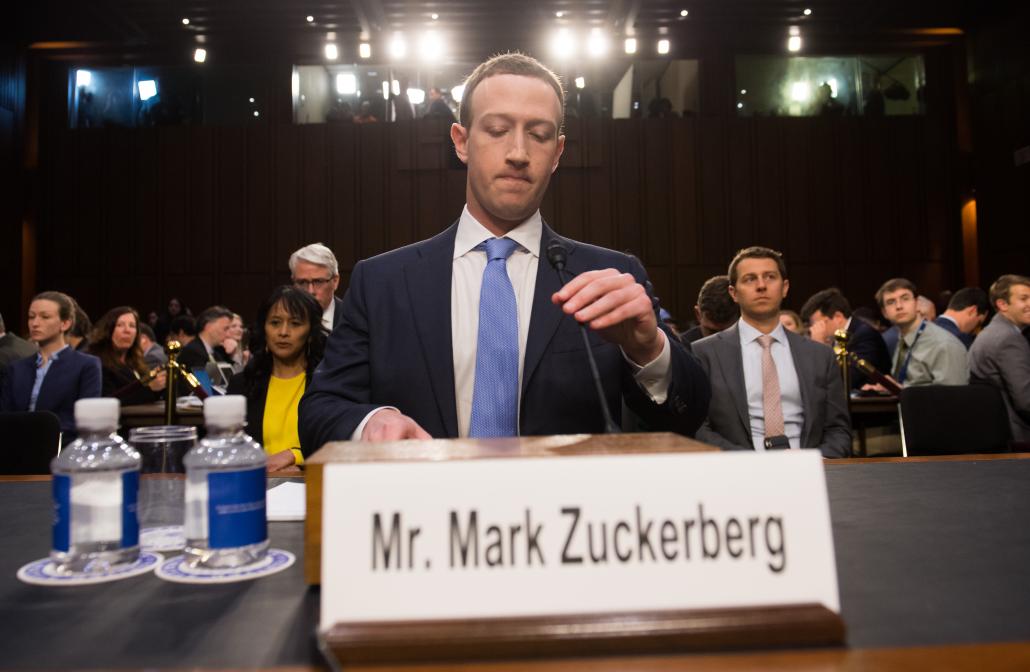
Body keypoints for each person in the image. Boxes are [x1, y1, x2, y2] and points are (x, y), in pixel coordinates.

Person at [299, 53, 710, 450]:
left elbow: (687, 416)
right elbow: (320, 411)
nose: (518, 153)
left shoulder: (611, 275)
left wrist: (648, 349)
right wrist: (371, 422)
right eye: (497, 130)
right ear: (461, 141)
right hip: (426, 512)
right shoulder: (383, 282)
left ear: (557, 153)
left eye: (539, 134)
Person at [692, 247, 851, 458]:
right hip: (738, 475)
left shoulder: (820, 356)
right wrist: (754, 465)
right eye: (750, 279)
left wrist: (811, 463)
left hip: (809, 473)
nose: (761, 285)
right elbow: (698, 429)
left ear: (784, 287)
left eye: (770, 277)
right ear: (734, 293)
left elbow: (838, 430)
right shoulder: (704, 353)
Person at [228, 287, 328, 471]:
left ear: (310, 332)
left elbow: (340, 441)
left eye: (295, 323)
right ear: (263, 328)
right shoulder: (241, 385)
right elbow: (228, 448)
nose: (283, 332)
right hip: (257, 486)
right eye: (275, 323)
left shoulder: (328, 383)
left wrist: (296, 456)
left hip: (314, 485)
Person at [0, 291, 102, 438]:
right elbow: (5, 416)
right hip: (16, 449)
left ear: (65, 323)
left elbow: (86, 419)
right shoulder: (16, 368)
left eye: (45, 317)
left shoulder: (86, 365)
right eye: (31, 317)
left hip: (64, 448)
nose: (35, 323)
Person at [969, 275, 1030, 442]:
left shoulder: (992, 332)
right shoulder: (1008, 338)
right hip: (1016, 436)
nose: (1029, 304)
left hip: (994, 431)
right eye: (1024, 298)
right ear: (1002, 304)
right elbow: (1026, 400)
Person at [875, 278, 967, 387]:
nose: (899, 306)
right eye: (891, 302)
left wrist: (906, 392)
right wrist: (890, 388)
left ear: (917, 303)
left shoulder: (943, 344)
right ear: (884, 313)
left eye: (905, 298)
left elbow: (952, 397)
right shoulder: (902, 339)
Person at [801, 287, 891, 389]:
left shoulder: (864, 335)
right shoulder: (834, 339)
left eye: (817, 323)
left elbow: (848, 380)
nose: (814, 329)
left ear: (838, 317)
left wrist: (820, 348)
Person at [89, 307, 168, 405]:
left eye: (132, 326)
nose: (127, 330)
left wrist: (160, 385)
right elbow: (106, 401)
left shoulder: (136, 362)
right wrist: (149, 388)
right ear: (108, 330)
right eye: (120, 325)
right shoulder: (96, 361)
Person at [289, 243, 344, 332]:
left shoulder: (353, 318)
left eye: (318, 282)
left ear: (335, 281)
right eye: (302, 282)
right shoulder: (283, 319)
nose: (310, 291)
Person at [679, 275, 737, 347]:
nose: (719, 341)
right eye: (712, 332)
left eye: (727, 333)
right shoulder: (682, 348)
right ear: (698, 314)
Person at [177, 306, 234, 372]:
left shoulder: (216, 354)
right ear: (208, 326)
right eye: (225, 329)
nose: (228, 334)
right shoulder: (192, 351)